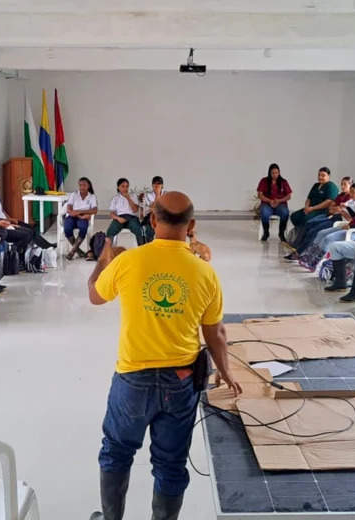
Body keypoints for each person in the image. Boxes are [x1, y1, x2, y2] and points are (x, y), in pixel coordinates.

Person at [87, 192, 241, 520]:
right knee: (171, 464)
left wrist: (105, 258)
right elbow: (216, 333)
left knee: (116, 453)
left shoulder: (129, 262)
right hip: (182, 381)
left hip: (132, 381)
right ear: (192, 225)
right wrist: (225, 370)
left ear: (152, 221)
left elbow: (95, 296)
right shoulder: (204, 273)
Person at [297, 181, 355, 271]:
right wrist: (348, 216)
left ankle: (314, 262)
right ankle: (309, 256)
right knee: (321, 232)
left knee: (328, 238)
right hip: (350, 226)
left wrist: (351, 226)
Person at [0, 176, 57, 250]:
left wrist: (10, 218)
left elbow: (1, 210)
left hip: (6, 221)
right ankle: (19, 251)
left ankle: (45, 246)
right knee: (28, 232)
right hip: (2, 224)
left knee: (28, 227)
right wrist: (9, 222)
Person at [283, 176, 352, 254]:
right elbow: (331, 208)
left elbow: (339, 209)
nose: (342, 187)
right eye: (341, 184)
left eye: (345, 185)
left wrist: (336, 209)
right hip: (329, 215)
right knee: (309, 223)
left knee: (314, 229)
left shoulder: (349, 197)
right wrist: (336, 209)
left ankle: (302, 251)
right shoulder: (340, 195)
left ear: (350, 185)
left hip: (337, 219)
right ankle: (296, 244)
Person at [64, 177, 99, 260]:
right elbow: (69, 209)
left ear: (88, 186)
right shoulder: (74, 194)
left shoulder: (92, 196)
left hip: (84, 217)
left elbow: (95, 210)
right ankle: (78, 250)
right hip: (73, 216)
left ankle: (72, 251)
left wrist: (80, 212)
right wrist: (77, 213)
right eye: (80, 185)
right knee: (67, 228)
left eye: (84, 185)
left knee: (83, 228)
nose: (82, 187)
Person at [257, 164, 293, 242]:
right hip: (267, 203)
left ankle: (281, 233)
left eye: (277, 173)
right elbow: (260, 195)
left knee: (285, 212)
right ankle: (266, 232)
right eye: (273, 173)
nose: (275, 175)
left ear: (279, 172)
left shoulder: (284, 182)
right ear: (269, 173)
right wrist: (269, 201)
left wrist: (279, 201)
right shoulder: (264, 181)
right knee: (264, 212)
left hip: (280, 204)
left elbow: (289, 196)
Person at [107, 178, 145, 246]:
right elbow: (111, 213)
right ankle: (108, 252)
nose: (125, 188)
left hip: (132, 218)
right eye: (122, 186)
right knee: (110, 231)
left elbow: (135, 210)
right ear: (118, 187)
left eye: (127, 186)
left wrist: (128, 198)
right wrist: (118, 218)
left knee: (139, 230)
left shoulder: (133, 196)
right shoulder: (115, 198)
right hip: (119, 217)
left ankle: (141, 251)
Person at [140, 176, 165, 244]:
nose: (156, 186)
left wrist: (154, 208)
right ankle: (149, 246)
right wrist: (157, 195)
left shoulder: (166, 194)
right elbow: (153, 207)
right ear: (152, 185)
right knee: (149, 229)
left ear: (162, 185)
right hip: (152, 216)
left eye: (159, 184)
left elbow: (165, 207)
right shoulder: (148, 195)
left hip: (163, 216)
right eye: (155, 184)